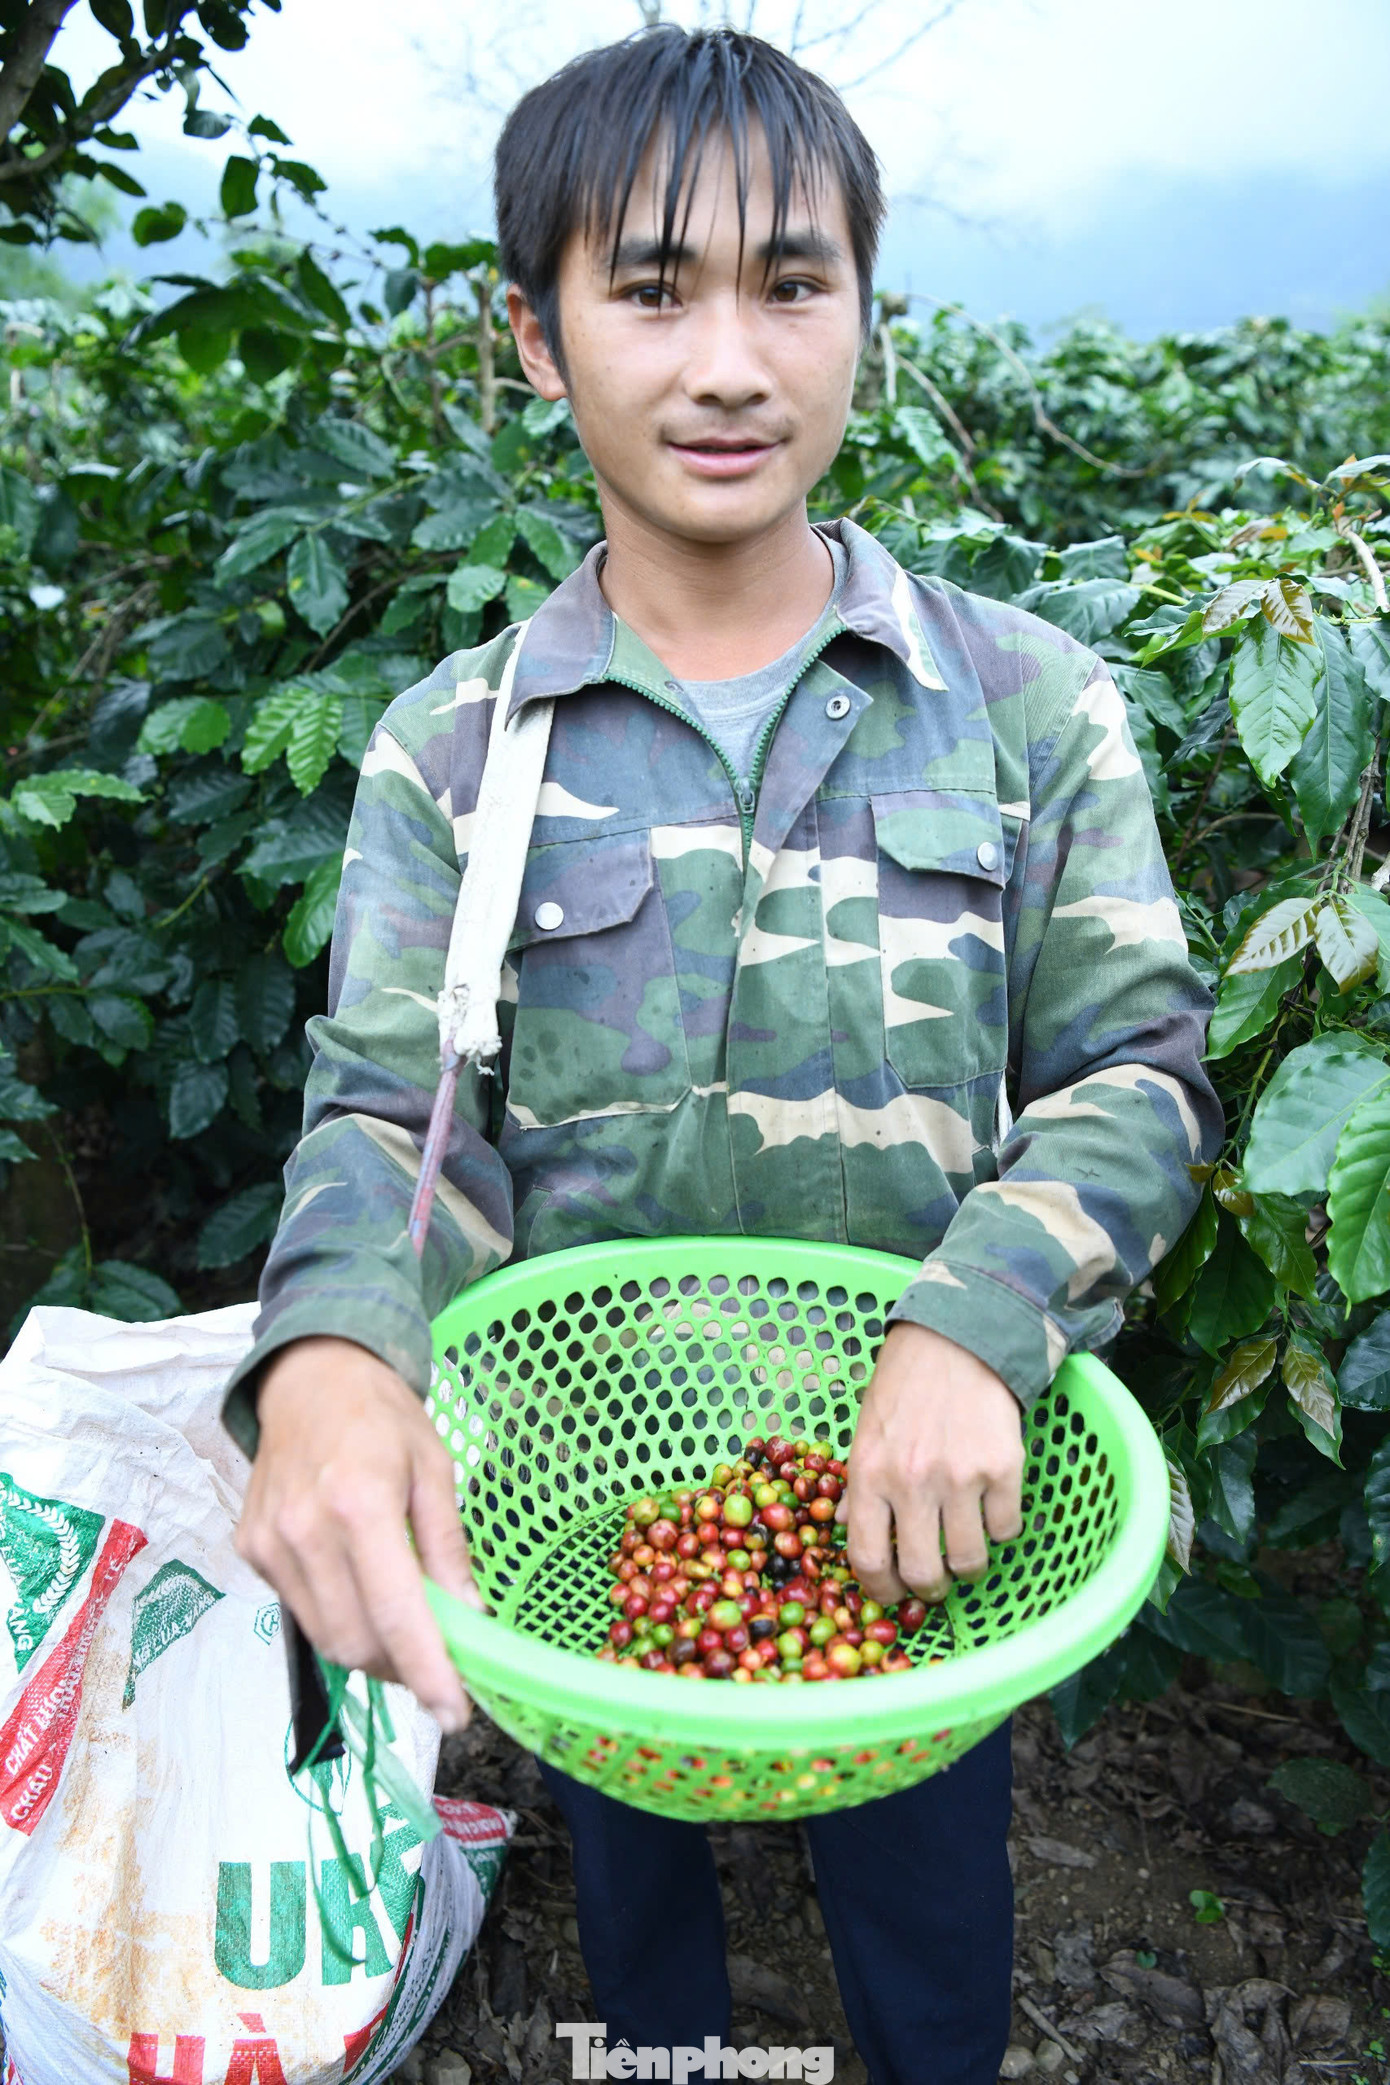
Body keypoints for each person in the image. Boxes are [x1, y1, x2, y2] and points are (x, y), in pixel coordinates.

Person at [225, 26, 1222, 2083]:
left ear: (865, 308)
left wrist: (978, 1310)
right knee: (643, 1948)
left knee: (928, 1928)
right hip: (587, 1522)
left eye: (790, 280)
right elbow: (397, 1115)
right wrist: (329, 1349)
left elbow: (1136, 1068)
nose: (728, 362)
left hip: (923, 1506)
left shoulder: (1024, 708)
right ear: (534, 335)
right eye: (649, 286)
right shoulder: (456, 751)